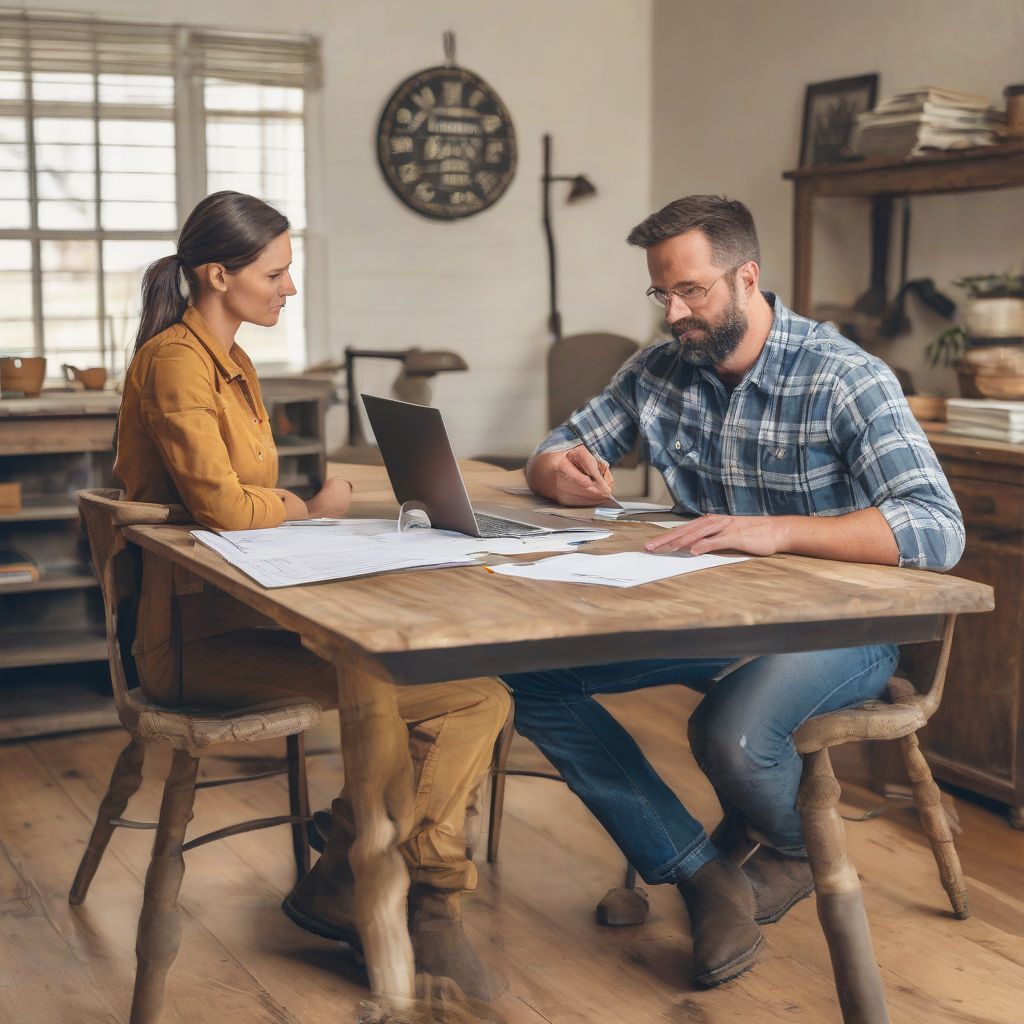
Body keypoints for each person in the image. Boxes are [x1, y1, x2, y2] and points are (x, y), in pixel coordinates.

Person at [502, 195, 964, 989]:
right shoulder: (659, 368)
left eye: (693, 291)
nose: (675, 313)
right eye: (662, 294)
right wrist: (556, 470)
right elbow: (559, 445)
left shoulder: (845, 376)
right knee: (525, 672)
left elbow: (937, 528)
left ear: (747, 276)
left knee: (729, 734)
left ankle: (788, 845)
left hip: (839, 626)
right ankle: (699, 871)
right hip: (707, 610)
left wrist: (776, 529)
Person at [115, 190, 509, 1001]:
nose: (289, 288)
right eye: (277, 272)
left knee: (471, 692)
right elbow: (224, 507)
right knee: (442, 699)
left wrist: (312, 513)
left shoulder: (230, 359)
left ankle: (346, 873)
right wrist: (308, 509)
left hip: (246, 617)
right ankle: (421, 898)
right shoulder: (176, 361)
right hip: (196, 647)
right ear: (218, 274)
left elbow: (230, 497)